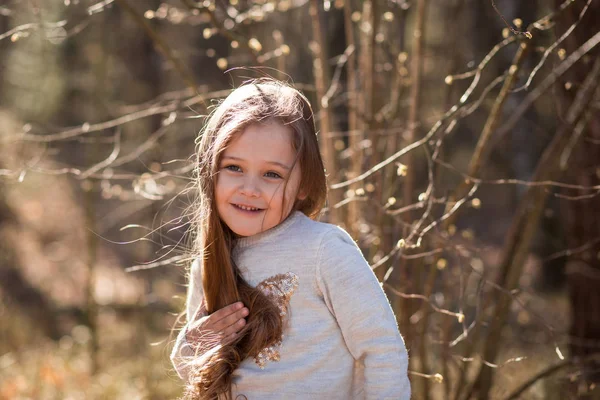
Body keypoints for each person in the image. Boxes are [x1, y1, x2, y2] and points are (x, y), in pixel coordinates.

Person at [170, 78, 411, 400]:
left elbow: (381, 351)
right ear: (208, 171)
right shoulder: (210, 260)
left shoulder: (323, 249)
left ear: (303, 185)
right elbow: (203, 375)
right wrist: (191, 344)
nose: (250, 189)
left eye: (272, 174)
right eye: (234, 168)